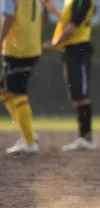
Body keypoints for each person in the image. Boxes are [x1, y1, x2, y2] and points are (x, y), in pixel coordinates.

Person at [42, 0, 96, 151]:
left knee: (81, 94)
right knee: (76, 95)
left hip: (79, 49)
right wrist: (52, 10)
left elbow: (72, 27)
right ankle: (83, 137)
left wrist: (55, 44)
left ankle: (86, 137)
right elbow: (68, 20)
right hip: (70, 50)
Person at [0, 0, 42, 154]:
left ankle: (29, 142)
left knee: (18, 92)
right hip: (31, 47)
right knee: (3, 91)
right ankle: (28, 133)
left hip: (17, 49)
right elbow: (41, 15)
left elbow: (9, 17)